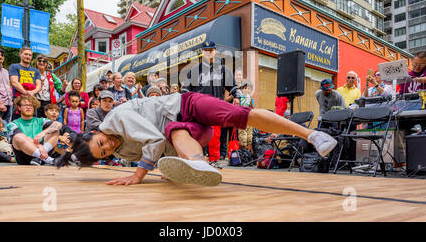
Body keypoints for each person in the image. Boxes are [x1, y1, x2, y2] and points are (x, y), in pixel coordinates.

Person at [54, 91, 338, 187]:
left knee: (241, 116)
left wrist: (140, 174)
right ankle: (199, 164)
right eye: (105, 154)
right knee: (175, 131)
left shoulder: (115, 119)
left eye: (102, 144)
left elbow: (153, 141)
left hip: (189, 104)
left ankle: (313, 134)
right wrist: (174, 167)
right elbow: (163, 146)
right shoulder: (123, 153)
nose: (109, 147)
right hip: (189, 132)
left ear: (95, 132)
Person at [181, 41, 238, 167]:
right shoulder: (194, 70)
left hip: (215, 106)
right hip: (197, 107)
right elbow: (186, 89)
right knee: (196, 134)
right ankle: (195, 161)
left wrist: (237, 96)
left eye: (211, 50)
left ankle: (213, 160)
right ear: (202, 53)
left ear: (215, 51)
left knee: (215, 136)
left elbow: (232, 86)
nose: (208, 52)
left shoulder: (223, 69)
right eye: (206, 50)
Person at [7, 95, 63, 165]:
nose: (28, 107)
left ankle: (38, 158)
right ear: (19, 107)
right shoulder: (13, 124)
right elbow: (22, 137)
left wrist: (43, 133)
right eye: (25, 105)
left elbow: (58, 124)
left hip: (42, 152)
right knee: (17, 137)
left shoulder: (41, 120)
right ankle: (48, 159)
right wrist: (39, 146)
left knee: (54, 129)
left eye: (31, 105)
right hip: (24, 157)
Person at [8, 47, 42, 119]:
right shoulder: (14, 66)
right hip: (18, 100)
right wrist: (25, 92)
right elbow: (14, 82)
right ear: (20, 54)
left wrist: (33, 92)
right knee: (17, 122)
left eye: (30, 55)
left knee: (32, 121)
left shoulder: (36, 71)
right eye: (26, 54)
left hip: (32, 100)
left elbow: (39, 85)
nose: (28, 57)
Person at [237, 80, 255, 153]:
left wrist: (250, 101)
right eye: (245, 88)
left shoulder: (251, 98)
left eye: (249, 88)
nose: (247, 90)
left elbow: (253, 108)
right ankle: (243, 151)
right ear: (242, 89)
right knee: (242, 134)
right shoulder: (240, 98)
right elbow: (238, 107)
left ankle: (249, 152)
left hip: (249, 119)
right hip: (242, 119)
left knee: (249, 135)